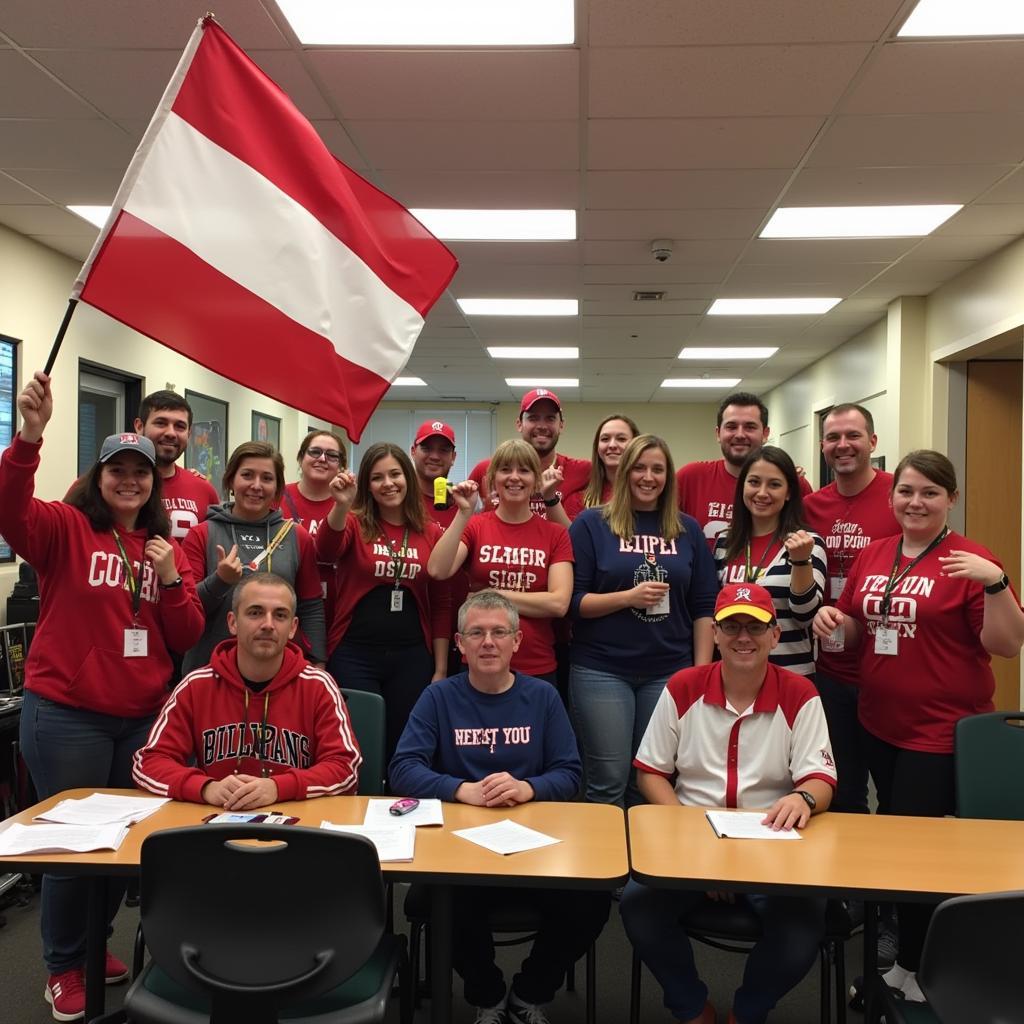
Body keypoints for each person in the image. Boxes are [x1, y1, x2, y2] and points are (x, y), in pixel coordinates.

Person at [1, 370, 204, 1023]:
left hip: (140, 716)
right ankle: (63, 966)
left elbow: (186, 633)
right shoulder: (62, 528)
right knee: (73, 848)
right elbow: (9, 506)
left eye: (140, 472)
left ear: (153, 483)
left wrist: (172, 580)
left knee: (125, 844)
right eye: (117, 469)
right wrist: (28, 439)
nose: (129, 480)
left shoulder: (162, 546)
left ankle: (94, 944)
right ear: (99, 476)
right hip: (67, 714)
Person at [813, 450, 1024, 1003]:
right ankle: (915, 961)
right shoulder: (879, 552)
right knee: (900, 845)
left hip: (939, 732)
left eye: (930, 492)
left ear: (950, 499)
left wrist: (998, 583)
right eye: (906, 491)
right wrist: (836, 621)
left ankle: (914, 969)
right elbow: (862, 628)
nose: (916, 502)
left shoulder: (971, 561)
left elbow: (1006, 645)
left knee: (915, 854)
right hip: (878, 721)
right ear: (892, 498)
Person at [390, 591, 610, 1024]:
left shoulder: (544, 697)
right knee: (445, 904)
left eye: (498, 632)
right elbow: (402, 769)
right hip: (461, 853)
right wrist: (459, 789)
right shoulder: (438, 699)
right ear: (459, 643)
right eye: (477, 633)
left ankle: (529, 994)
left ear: (517, 641)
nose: (487, 642)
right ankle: (488, 997)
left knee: (592, 901)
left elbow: (570, 773)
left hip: (536, 852)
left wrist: (529, 787)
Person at [621, 583, 837, 1024]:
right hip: (689, 843)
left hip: (772, 848)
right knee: (636, 905)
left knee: (805, 924)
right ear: (715, 634)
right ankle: (691, 1006)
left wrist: (804, 796)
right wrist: (699, 847)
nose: (743, 637)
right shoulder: (684, 686)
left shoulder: (800, 693)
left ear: (775, 636)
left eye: (755, 627)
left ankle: (747, 1012)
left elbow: (821, 777)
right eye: (732, 626)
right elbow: (651, 774)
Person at [568, 434, 718, 807]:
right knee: (608, 780)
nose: (648, 477)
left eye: (657, 469)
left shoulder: (687, 529)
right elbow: (572, 602)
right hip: (602, 670)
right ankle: (606, 865)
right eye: (639, 467)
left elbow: (703, 606)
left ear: (669, 476)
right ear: (623, 473)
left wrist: (700, 674)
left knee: (650, 781)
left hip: (668, 671)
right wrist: (627, 598)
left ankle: (644, 866)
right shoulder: (591, 524)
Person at [133, 573, 361, 805]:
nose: (268, 624)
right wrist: (205, 788)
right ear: (232, 622)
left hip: (295, 823)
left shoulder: (318, 686)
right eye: (255, 613)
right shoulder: (196, 685)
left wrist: (279, 787)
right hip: (215, 819)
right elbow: (149, 763)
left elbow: (345, 768)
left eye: (280, 615)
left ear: (293, 628)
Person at [315, 442, 450, 761]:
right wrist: (341, 505)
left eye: (395, 474)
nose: (388, 484)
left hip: (412, 657)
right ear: (367, 484)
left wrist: (441, 668)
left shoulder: (429, 531)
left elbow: (441, 601)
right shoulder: (353, 522)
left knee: (404, 747)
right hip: (354, 655)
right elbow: (325, 552)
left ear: (408, 477)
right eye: (377, 477)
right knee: (361, 746)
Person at [803, 405, 898, 815]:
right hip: (830, 669)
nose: (843, 445)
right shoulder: (811, 506)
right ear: (823, 445)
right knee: (843, 792)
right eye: (833, 437)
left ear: (872, 442)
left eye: (853, 435)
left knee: (898, 794)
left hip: (890, 671)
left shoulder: (899, 494)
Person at [428, 439, 573, 684]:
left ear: (536, 480)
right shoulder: (476, 525)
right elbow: (438, 570)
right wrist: (464, 513)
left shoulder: (555, 533)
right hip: (478, 664)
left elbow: (558, 603)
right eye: (506, 470)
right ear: (492, 479)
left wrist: (492, 594)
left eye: (524, 470)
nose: (514, 477)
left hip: (536, 665)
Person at [181, 441, 326, 674]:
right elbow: (187, 610)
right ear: (230, 480)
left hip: (277, 669)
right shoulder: (202, 534)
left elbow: (310, 606)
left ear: (278, 488)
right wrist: (220, 580)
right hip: (209, 669)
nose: (256, 486)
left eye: (267, 478)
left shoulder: (296, 537)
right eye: (247, 475)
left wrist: (318, 661)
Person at [713, 446, 826, 678]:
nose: (762, 493)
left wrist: (801, 561)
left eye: (774, 485)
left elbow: (806, 616)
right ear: (742, 487)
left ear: (788, 493)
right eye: (754, 482)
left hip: (790, 675)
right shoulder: (724, 541)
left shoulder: (808, 543)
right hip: (733, 674)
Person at [676, 391, 811, 546]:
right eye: (731, 426)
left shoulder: (794, 484)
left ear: (765, 433)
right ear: (718, 433)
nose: (740, 434)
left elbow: (809, 539)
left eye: (750, 427)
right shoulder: (690, 477)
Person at [469, 389, 590, 525]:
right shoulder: (486, 469)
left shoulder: (584, 471)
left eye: (550, 418)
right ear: (519, 424)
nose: (542, 426)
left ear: (561, 425)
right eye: (533, 418)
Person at [280, 429, 348, 642]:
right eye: (315, 452)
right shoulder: (276, 498)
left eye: (332, 455)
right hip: (288, 606)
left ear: (342, 465)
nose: (322, 459)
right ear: (301, 458)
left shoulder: (351, 505)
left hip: (341, 612)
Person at [410, 420, 466, 675]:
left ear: (453, 457)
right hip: (412, 632)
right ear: (413, 451)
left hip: (462, 632)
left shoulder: (465, 504)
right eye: (426, 448)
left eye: (443, 450)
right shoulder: (397, 502)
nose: (434, 455)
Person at [563, 413, 639, 520]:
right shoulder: (578, 500)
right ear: (597, 447)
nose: (612, 445)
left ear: (636, 445)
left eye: (621, 439)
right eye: (605, 439)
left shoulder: (648, 494)